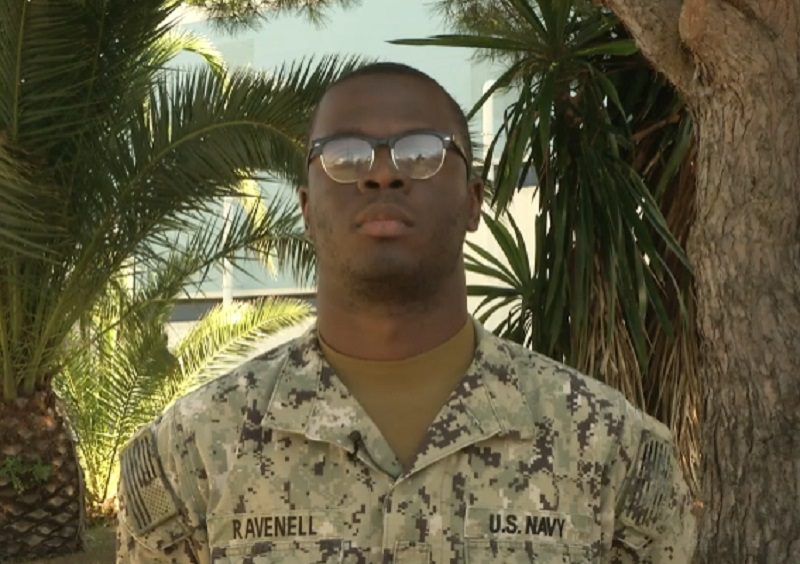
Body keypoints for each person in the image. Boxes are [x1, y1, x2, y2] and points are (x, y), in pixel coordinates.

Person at [116, 62, 696, 563]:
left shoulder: (610, 450)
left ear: (473, 201)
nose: (381, 173)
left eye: (421, 152)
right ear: (306, 209)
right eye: (344, 156)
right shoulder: (192, 453)